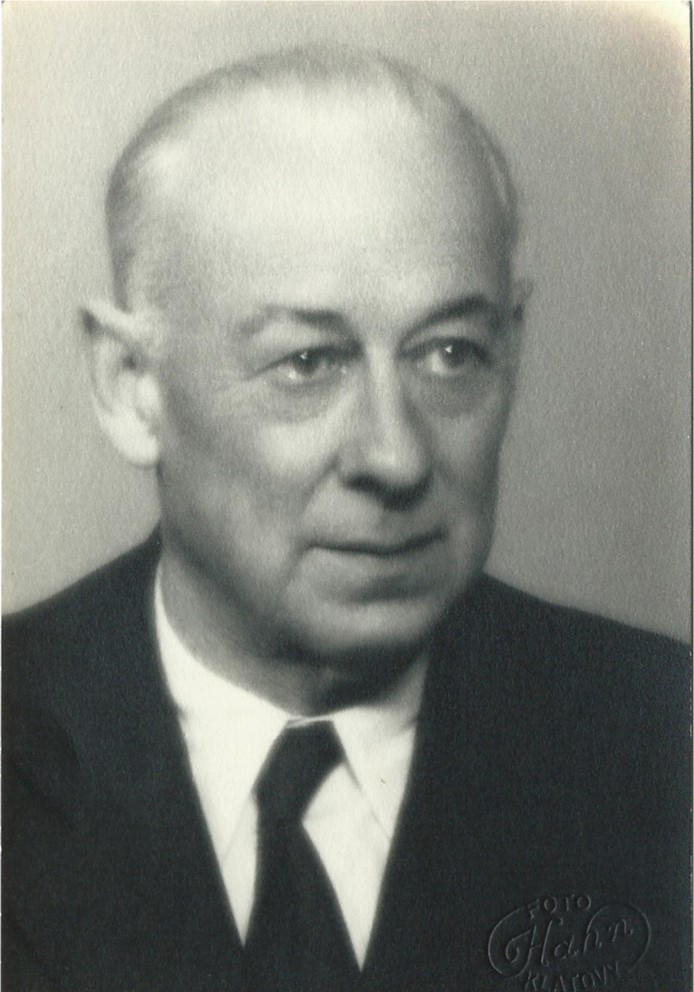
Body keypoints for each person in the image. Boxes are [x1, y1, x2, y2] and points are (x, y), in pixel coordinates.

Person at [3, 45, 689, 992]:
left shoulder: (661, 739)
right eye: (307, 363)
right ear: (130, 387)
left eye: (449, 353)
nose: (396, 458)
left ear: (512, 347)